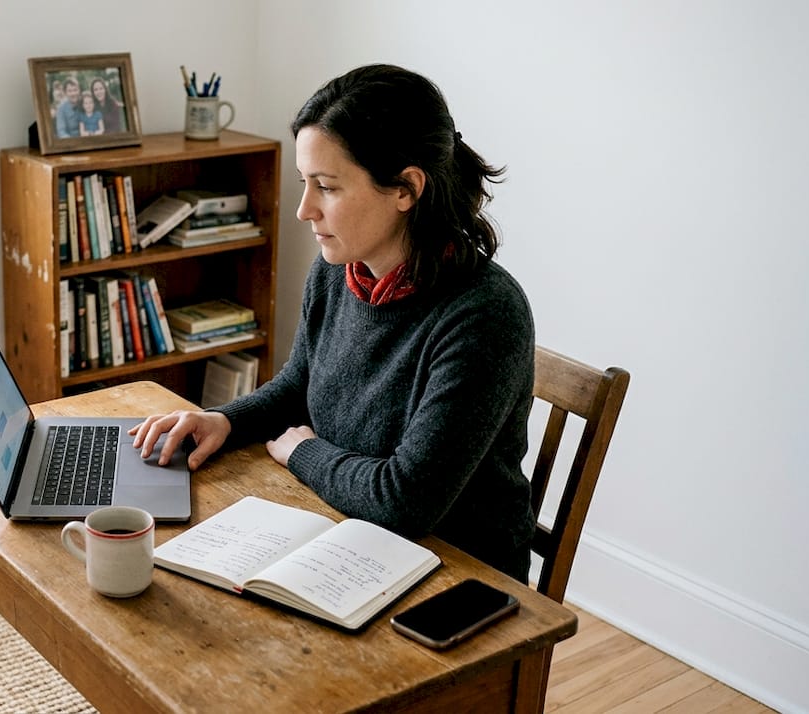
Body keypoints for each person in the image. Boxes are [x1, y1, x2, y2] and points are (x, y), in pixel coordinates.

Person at [129, 64, 536, 581]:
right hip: (347, 528)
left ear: (406, 188)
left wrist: (304, 451)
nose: (303, 210)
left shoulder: (484, 314)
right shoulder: (338, 272)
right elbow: (300, 386)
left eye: (326, 186)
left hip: (456, 572)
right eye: (305, 183)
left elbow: (403, 501)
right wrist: (225, 420)